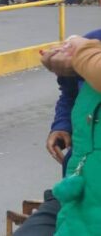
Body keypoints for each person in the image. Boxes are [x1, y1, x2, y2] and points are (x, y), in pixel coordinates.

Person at [14, 28, 101, 236]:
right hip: (75, 190)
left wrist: (80, 51)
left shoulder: (85, 47)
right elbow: (69, 94)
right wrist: (62, 125)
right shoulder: (92, 40)